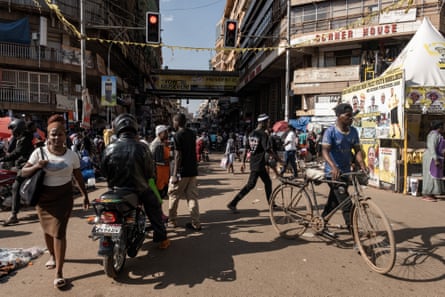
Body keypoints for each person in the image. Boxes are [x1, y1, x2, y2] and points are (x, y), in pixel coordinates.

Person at [20, 114, 89, 288]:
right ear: (48, 135)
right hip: (43, 199)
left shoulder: (72, 155)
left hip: (64, 198)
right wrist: (37, 166)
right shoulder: (39, 152)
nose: (57, 137)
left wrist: (85, 196)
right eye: (53, 134)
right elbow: (23, 172)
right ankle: (52, 255)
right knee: (47, 230)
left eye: (60, 134)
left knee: (59, 232)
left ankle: (59, 271)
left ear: (65, 135)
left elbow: (78, 177)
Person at [101, 114, 170, 248]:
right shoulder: (142, 147)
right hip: (139, 189)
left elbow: (104, 172)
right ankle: (162, 238)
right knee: (154, 207)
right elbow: (150, 173)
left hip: (115, 190)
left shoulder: (109, 148)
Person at [321, 103, 366, 231]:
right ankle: (355, 237)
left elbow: (357, 150)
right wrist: (333, 167)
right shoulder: (331, 132)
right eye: (348, 116)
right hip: (333, 174)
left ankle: (322, 221)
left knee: (335, 201)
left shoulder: (353, 132)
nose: (351, 118)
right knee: (347, 204)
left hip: (346, 173)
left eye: (352, 116)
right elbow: (324, 151)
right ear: (339, 116)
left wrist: (362, 165)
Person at [227, 114, 280, 213]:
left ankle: (271, 203)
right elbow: (267, 149)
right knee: (250, 185)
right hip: (258, 164)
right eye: (267, 122)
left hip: (256, 163)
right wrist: (279, 159)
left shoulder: (251, 133)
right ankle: (233, 203)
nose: (268, 123)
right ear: (263, 122)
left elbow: (246, 149)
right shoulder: (263, 134)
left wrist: (243, 162)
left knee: (267, 182)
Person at [168, 113, 201, 231]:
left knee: (173, 195)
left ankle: (172, 221)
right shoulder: (192, 133)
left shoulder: (178, 135)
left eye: (173, 122)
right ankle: (196, 223)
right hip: (192, 170)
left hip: (182, 172)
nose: (173, 124)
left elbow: (178, 155)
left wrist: (174, 174)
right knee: (192, 197)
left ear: (177, 122)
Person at [1, 119, 34, 226]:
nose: (11, 132)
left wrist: (3, 158)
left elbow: (18, 152)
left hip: (26, 165)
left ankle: (14, 215)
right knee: (6, 172)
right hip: (19, 164)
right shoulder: (20, 137)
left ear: (17, 129)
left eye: (12, 129)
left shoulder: (25, 138)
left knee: (16, 186)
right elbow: (12, 150)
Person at [421, 120, 445, 202]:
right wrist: (435, 159)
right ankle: (426, 194)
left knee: (435, 176)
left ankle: (432, 193)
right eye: (443, 126)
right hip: (431, 158)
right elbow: (431, 147)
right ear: (440, 127)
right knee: (430, 176)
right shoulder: (433, 135)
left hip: (436, 157)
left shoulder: (438, 135)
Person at [150, 125, 171, 199]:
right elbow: (158, 161)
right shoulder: (157, 144)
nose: (167, 134)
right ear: (159, 134)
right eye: (165, 133)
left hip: (164, 172)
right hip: (159, 172)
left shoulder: (163, 143)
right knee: (159, 192)